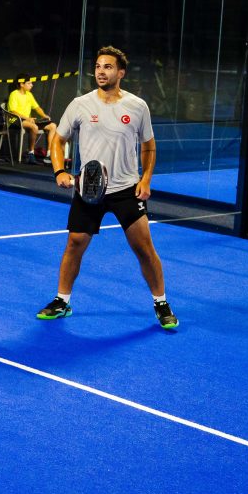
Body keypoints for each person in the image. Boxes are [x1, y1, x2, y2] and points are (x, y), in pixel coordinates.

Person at [37, 45, 179, 330]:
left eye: (108, 67)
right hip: (89, 188)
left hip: (127, 189)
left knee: (143, 248)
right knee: (74, 243)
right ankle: (62, 301)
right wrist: (60, 171)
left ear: (121, 73)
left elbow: (149, 147)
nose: (101, 72)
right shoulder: (80, 104)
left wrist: (146, 180)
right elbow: (58, 140)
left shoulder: (137, 106)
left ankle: (161, 303)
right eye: (98, 66)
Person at [7, 77, 56, 163]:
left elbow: (37, 108)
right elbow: (13, 112)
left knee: (52, 126)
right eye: (29, 83)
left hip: (27, 120)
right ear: (22, 84)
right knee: (34, 127)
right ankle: (30, 154)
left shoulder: (29, 95)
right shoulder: (14, 94)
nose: (32, 85)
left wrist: (44, 116)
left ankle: (49, 155)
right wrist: (27, 118)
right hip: (14, 120)